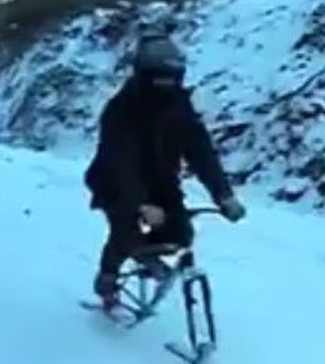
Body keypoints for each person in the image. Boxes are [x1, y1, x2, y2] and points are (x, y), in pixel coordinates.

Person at [83, 33, 246, 305]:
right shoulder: (120, 110)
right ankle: (108, 277)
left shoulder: (179, 106)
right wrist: (141, 204)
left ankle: (144, 253)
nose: (165, 85)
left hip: (161, 180)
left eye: (171, 78)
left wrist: (224, 196)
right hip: (115, 181)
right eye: (158, 78)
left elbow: (201, 152)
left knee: (181, 233)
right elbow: (120, 160)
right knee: (125, 231)